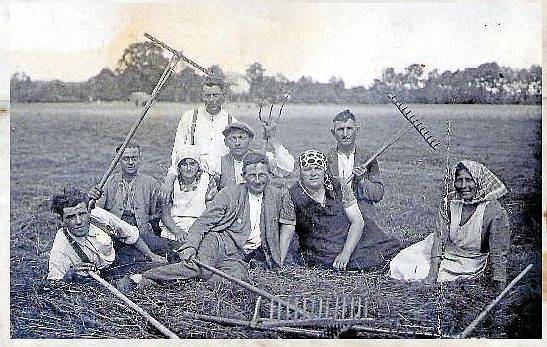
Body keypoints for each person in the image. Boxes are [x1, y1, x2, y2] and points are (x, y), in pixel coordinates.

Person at [118, 152, 296, 290]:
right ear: (243, 176)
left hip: (238, 256)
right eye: (252, 175)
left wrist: (278, 258)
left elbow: (288, 224)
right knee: (197, 268)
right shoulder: (229, 194)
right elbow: (203, 222)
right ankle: (144, 277)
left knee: (236, 280)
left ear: (269, 175)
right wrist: (191, 247)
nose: (257, 181)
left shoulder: (278, 195)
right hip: (217, 242)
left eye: (262, 175)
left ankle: (172, 283)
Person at [389, 160, 510, 291]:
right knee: (400, 263)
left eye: (469, 180)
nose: (463, 185)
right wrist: (432, 276)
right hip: (442, 247)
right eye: (459, 180)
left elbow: (498, 252)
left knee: (420, 273)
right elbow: (439, 238)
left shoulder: (494, 211)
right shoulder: (449, 202)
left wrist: (500, 286)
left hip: (468, 258)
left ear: (479, 181)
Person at [281, 150, 400, 271]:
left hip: (347, 236)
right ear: (300, 172)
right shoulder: (292, 195)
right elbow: (287, 231)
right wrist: (279, 262)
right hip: (320, 245)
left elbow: (357, 222)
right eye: (307, 169)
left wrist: (345, 254)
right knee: (336, 261)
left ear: (324, 170)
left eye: (318, 168)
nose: (313, 173)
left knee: (388, 247)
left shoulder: (339, 185)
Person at [47, 187, 166, 281]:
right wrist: (68, 276)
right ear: (61, 220)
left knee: (170, 247)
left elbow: (130, 235)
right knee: (155, 273)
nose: (78, 222)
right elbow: (53, 284)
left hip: (124, 249)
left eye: (82, 214)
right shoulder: (61, 249)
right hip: (109, 275)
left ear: (89, 211)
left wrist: (151, 255)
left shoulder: (98, 216)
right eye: (71, 217)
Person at [161, 74, 238, 200]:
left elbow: (238, 157)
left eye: (215, 95)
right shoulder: (190, 118)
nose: (212, 100)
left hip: (224, 183)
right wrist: (170, 179)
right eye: (208, 96)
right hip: (193, 181)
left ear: (222, 95)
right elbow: (177, 151)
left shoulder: (231, 121)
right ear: (202, 95)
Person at [88, 142, 166, 256]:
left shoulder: (151, 183)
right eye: (126, 159)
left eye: (134, 158)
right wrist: (92, 198)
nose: (130, 162)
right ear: (118, 160)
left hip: (142, 234)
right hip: (116, 235)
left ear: (139, 159)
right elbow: (96, 211)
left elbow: (158, 215)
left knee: (166, 247)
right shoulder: (109, 182)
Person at [324, 109, 385, 224]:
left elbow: (378, 195)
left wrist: (362, 181)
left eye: (349, 129)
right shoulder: (325, 157)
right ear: (333, 132)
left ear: (357, 130)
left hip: (362, 216)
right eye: (340, 129)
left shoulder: (368, 158)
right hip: (333, 214)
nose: (345, 134)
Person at [159, 145, 216, 243]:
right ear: (179, 167)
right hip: (174, 227)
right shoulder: (171, 183)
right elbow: (165, 216)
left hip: (199, 227)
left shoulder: (207, 181)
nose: (188, 168)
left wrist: (196, 233)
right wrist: (178, 232)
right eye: (184, 164)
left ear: (198, 165)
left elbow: (211, 213)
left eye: (192, 164)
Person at [218, 121, 294, 190]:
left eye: (242, 138)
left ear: (250, 140)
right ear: (226, 142)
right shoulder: (220, 162)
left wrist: (272, 138)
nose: (237, 143)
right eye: (233, 138)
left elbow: (288, 168)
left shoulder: (263, 157)